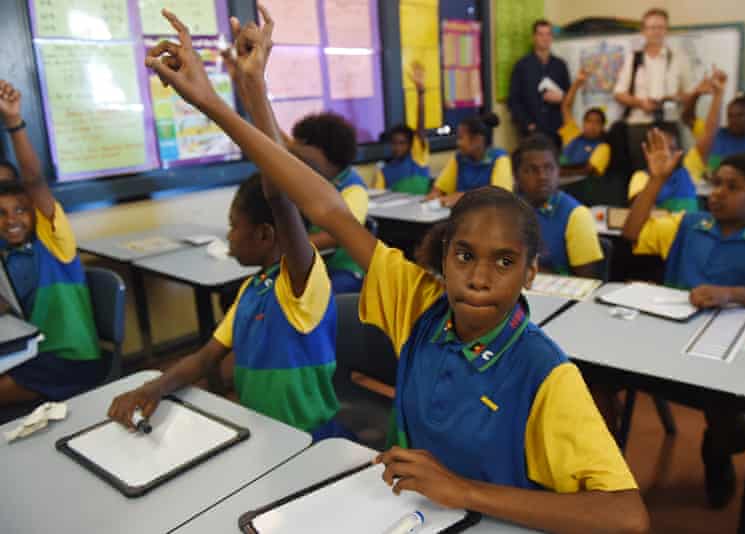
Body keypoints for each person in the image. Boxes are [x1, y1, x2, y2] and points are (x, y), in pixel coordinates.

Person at [142, 9, 650, 531]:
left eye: (504, 262)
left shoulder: (545, 372)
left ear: (530, 273)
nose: (479, 277)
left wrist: (464, 490)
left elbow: (627, 515)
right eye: (464, 256)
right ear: (443, 255)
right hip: (401, 513)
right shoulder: (421, 304)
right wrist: (223, 100)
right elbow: (321, 204)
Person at [109, 9, 343, 441]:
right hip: (263, 437)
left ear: (266, 233)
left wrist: (252, 85)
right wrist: (155, 386)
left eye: (233, 225)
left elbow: (280, 194)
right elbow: (204, 359)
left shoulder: (301, 286)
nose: (229, 234)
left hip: (310, 442)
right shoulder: (253, 291)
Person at [623, 130, 745, 507]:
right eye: (715, 183)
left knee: (739, 429)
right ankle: (604, 479)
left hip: (728, 352)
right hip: (669, 342)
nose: (717, 193)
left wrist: (731, 294)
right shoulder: (688, 224)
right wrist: (656, 179)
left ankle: (717, 452)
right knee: (600, 378)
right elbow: (632, 232)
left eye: (732, 187)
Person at [0, 80, 103, 406]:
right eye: (1, 212)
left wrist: (13, 122)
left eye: (20, 209)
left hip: (71, 360)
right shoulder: (6, 255)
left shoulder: (54, 241)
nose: (12, 219)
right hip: (27, 355)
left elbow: (33, 180)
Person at [287, 113, 368, 293]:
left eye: (301, 147)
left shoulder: (353, 189)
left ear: (325, 150)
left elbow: (338, 235)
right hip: (314, 266)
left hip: (345, 270)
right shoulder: (316, 181)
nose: (295, 156)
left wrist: (289, 247)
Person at [626, 70, 724, 213]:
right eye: (662, 149)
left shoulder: (689, 168)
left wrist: (718, 95)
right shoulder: (642, 177)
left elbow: (709, 133)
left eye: (672, 148)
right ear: (649, 152)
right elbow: (639, 214)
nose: (668, 154)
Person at [613, 8, 693, 172]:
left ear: (666, 30)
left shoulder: (679, 58)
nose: (656, 32)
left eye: (660, 27)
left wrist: (672, 99)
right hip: (639, 125)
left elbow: (689, 94)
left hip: (668, 124)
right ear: (644, 31)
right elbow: (619, 93)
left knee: (672, 172)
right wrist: (641, 103)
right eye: (651, 27)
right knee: (642, 174)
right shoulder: (633, 59)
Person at [513, 134, 604, 278]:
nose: (542, 176)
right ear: (516, 176)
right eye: (532, 169)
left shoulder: (576, 214)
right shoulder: (508, 210)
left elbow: (586, 283)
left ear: (558, 171)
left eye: (549, 168)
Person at [683, 74, 745, 174]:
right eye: (730, 115)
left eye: (740, 115)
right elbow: (688, 118)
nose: (734, 120)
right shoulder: (715, 134)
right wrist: (696, 94)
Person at [426, 113, 511, 207]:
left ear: (478, 140)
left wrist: (462, 197)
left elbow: (501, 197)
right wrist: (435, 195)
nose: (458, 143)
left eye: (461, 138)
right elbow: (440, 189)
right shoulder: (459, 159)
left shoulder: (499, 158)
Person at [507, 19, 571, 146]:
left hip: (555, 130)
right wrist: (528, 124)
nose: (545, 38)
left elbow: (570, 95)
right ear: (534, 37)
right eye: (541, 34)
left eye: (548, 34)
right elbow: (513, 100)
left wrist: (562, 97)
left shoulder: (560, 65)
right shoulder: (522, 66)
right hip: (531, 131)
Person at [373, 62, 431, 195]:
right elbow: (378, 197)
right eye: (394, 143)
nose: (398, 147)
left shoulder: (417, 158)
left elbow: (420, 128)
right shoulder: (384, 171)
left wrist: (420, 93)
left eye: (402, 143)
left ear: (411, 145)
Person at [558, 69, 611, 176]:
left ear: (602, 127)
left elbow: (588, 171)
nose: (592, 126)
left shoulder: (603, 147)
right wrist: (577, 83)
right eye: (589, 121)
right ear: (583, 123)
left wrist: (558, 172)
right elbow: (566, 107)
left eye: (597, 123)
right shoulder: (573, 135)